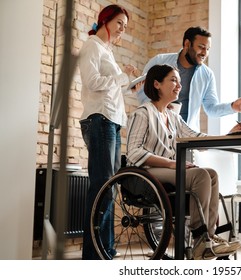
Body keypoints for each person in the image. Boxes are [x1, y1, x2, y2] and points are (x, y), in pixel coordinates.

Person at [126, 64, 241, 260]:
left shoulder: (173, 117)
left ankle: (208, 237)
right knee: (199, 175)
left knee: (211, 174)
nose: (179, 85)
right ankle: (200, 239)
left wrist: (226, 136)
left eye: (179, 81)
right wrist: (171, 164)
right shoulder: (142, 113)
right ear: (156, 84)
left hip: (165, 171)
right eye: (173, 80)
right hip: (145, 172)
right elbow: (134, 153)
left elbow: (197, 138)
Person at [78, 4, 138, 260]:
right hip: (99, 120)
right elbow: (92, 82)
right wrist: (123, 78)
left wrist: (130, 86)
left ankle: (107, 251)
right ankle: (95, 255)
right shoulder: (92, 46)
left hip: (112, 121)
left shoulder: (107, 51)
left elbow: (111, 88)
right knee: (102, 187)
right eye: (119, 23)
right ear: (105, 21)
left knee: (109, 188)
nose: (122, 29)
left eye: (125, 26)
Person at [136, 26, 241, 132]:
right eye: (201, 47)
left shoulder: (207, 74)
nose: (205, 53)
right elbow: (142, 91)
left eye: (208, 49)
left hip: (186, 134)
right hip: (157, 128)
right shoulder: (160, 61)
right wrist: (160, 107)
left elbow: (211, 108)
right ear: (187, 44)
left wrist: (232, 106)